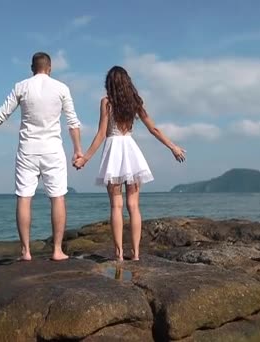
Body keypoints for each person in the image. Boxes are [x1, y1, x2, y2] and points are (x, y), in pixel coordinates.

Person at [0, 52, 83, 261]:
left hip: (27, 150)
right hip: (53, 150)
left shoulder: (21, 86)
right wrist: (78, 150)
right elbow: (73, 122)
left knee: (24, 197)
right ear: (50, 68)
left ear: (31, 68)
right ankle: (57, 250)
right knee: (57, 197)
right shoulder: (61, 88)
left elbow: (0, 115)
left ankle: (26, 251)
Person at [73, 66, 185, 261]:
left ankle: (119, 254)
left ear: (109, 84)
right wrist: (173, 147)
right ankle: (136, 254)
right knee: (133, 205)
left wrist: (85, 158)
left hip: (113, 152)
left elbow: (101, 134)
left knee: (116, 206)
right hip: (131, 151)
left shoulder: (106, 103)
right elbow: (154, 129)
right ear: (127, 83)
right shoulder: (134, 102)